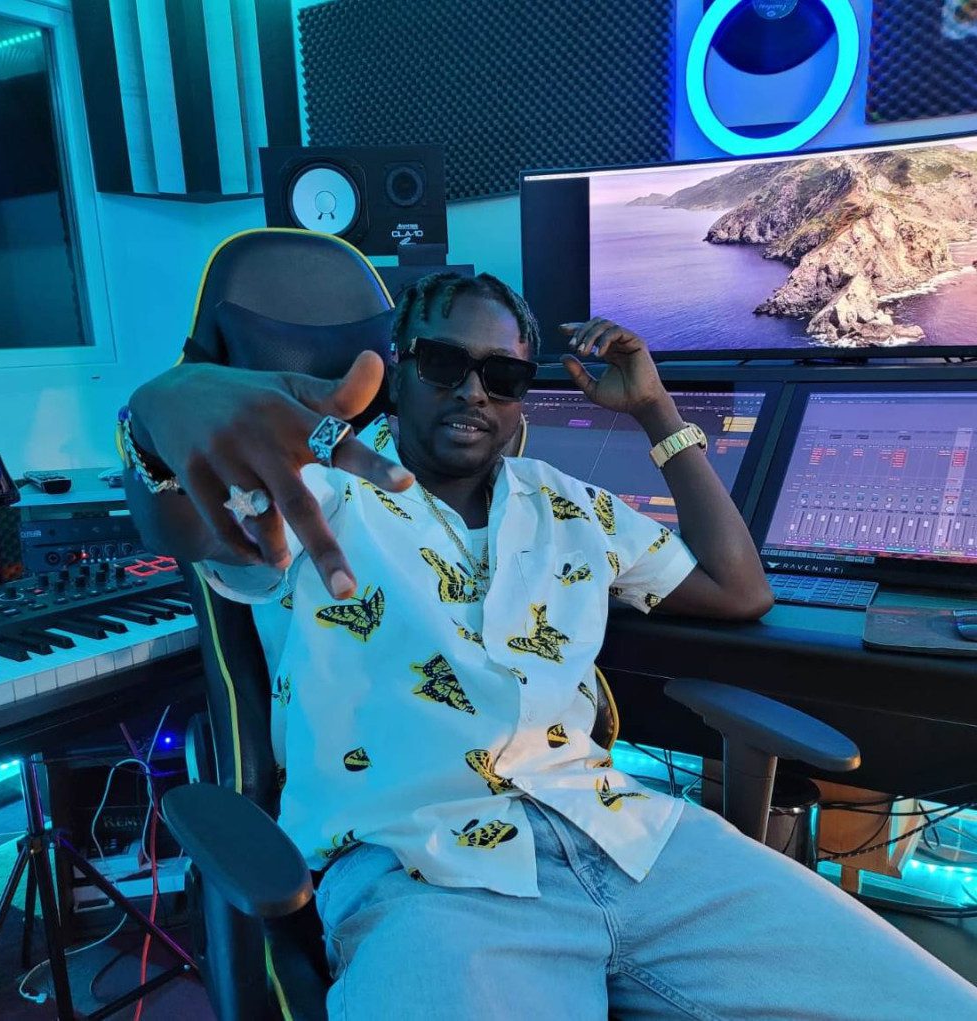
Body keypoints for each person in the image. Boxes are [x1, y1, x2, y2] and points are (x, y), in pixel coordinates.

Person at [123, 273, 977, 1019]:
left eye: (503, 376)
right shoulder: (311, 493)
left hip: (630, 840)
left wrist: (656, 408)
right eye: (444, 363)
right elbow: (184, 519)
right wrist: (155, 419)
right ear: (398, 366)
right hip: (426, 874)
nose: (473, 392)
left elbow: (740, 589)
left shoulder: (569, 504)